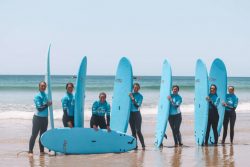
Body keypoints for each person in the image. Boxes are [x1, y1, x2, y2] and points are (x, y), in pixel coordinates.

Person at [28, 81, 52, 156]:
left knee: (42, 136)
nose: (43, 87)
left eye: (44, 86)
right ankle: (30, 151)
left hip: (45, 118)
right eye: (42, 86)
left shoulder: (47, 95)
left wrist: (49, 103)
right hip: (37, 118)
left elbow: (48, 104)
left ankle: (42, 151)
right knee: (34, 135)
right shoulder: (37, 96)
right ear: (39, 87)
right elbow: (39, 108)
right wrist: (47, 104)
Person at [129, 83, 145, 150]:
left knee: (138, 130)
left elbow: (137, 105)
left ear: (139, 89)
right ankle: (135, 146)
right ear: (133, 88)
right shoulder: (129, 94)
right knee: (133, 131)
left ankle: (143, 145)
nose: (136, 89)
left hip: (137, 114)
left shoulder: (140, 96)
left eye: (137, 88)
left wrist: (132, 98)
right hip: (130, 114)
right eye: (134, 87)